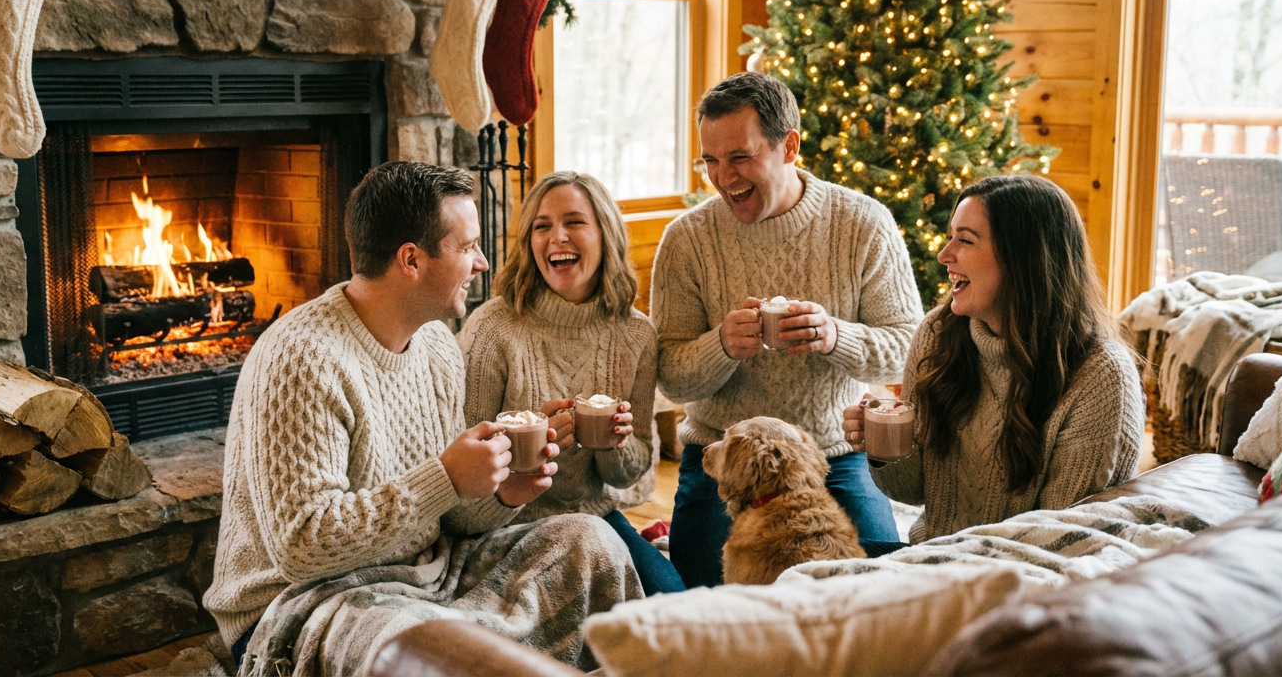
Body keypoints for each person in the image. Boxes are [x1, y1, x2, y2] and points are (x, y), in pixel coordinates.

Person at [203, 162, 640, 674]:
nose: (481, 262)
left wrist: (505, 491)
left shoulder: (436, 344)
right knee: (420, 646)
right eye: (467, 246)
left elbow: (447, 516)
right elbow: (302, 548)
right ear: (411, 259)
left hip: (423, 572)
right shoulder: (301, 358)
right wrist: (446, 477)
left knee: (591, 542)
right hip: (300, 602)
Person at [652, 72, 925, 587]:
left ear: (789, 146)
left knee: (875, 583)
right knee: (702, 600)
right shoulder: (686, 240)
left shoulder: (862, 223)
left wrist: (834, 337)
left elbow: (907, 346)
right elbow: (670, 377)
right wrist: (721, 347)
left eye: (739, 157)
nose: (722, 176)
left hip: (831, 454)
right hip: (723, 458)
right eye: (710, 160)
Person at [843, 175, 1145, 542]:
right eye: (951, 235)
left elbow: (1059, 542)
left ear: (1024, 259)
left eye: (965, 240)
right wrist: (883, 446)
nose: (944, 255)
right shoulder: (938, 333)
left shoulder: (1101, 377)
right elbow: (914, 490)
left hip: (1021, 580)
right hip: (932, 558)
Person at [459, 170, 686, 596]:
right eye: (541, 227)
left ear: (605, 233)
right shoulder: (493, 327)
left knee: (676, 606)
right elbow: (464, 464)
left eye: (575, 222)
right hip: (508, 524)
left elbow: (630, 470)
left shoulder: (636, 334)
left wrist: (614, 444)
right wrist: (531, 449)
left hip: (595, 514)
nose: (556, 237)